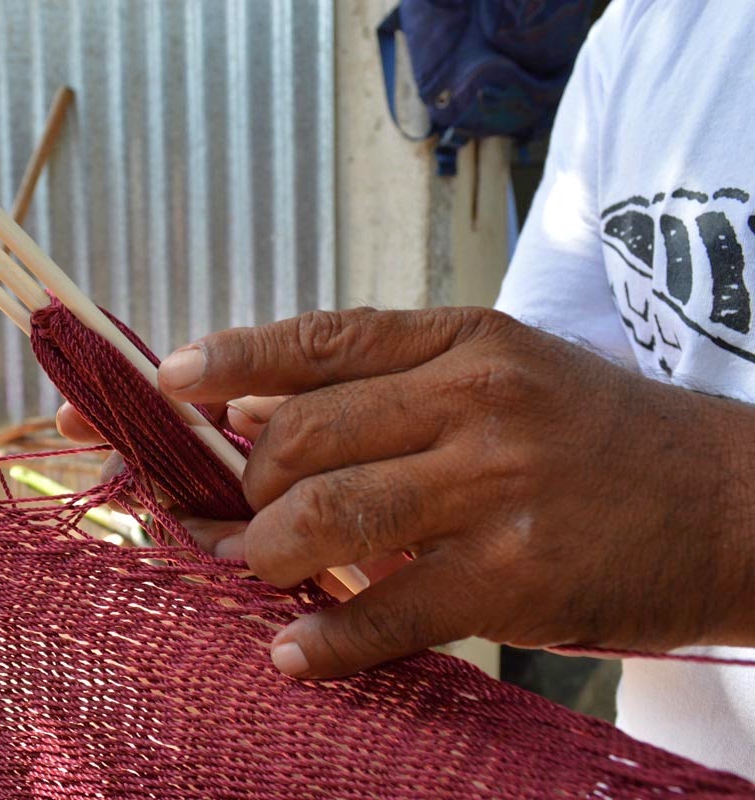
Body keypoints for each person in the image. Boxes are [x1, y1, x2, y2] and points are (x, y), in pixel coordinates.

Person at [57, 0, 755, 780]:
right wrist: (382, 468)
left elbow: (643, 479)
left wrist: (727, 513)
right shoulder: (646, 32)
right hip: (653, 770)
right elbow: (554, 418)